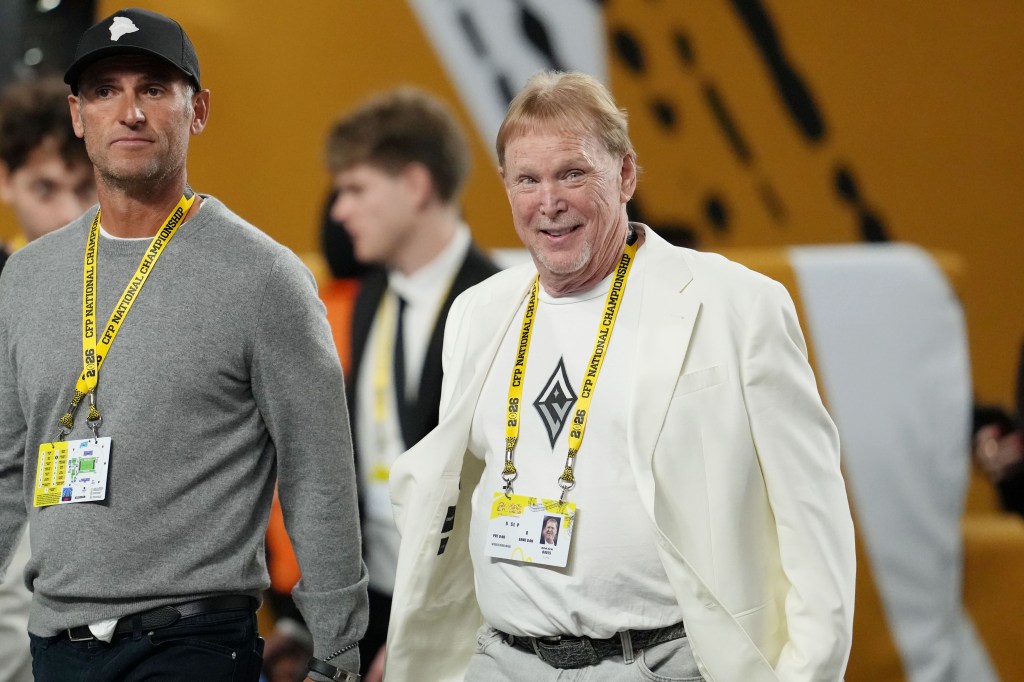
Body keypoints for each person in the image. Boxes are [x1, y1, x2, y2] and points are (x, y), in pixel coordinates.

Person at [385, 71, 856, 681]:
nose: (548, 202)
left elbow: (814, 520)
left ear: (626, 174)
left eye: (572, 174)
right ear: (505, 185)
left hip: (659, 663)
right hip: (500, 660)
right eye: (527, 180)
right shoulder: (477, 312)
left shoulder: (739, 306)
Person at [0, 9, 366, 682]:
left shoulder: (264, 278)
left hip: (192, 644)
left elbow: (318, 474)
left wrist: (338, 651)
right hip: (56, 644)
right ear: (78, 115)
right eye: (105, 91)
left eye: (153, 88)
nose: (130, 112)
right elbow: (5, 465)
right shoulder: (27, 277)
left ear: (197, 110)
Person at [324, 86, 499, 681]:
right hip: (372, 601)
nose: (339, 211)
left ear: (416, 186)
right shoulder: (369, 295)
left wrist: (422, 633)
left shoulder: (502, 304)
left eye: (355, 189)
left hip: (458, 618)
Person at [0, 75, 96, 682]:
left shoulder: (144, 289)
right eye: (44, 188)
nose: (65, 212)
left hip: (106, 550)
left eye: (82, 187)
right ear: (5, 181)